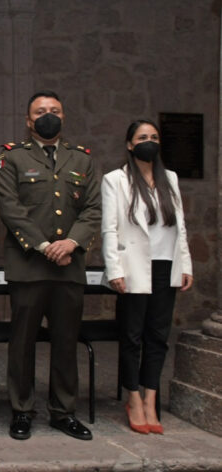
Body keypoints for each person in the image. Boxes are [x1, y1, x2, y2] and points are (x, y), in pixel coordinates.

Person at [0, 90, 101, 441]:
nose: (47, 116)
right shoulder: (12, 158)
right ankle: (22, 410)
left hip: (69, 266)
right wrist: (43, 246)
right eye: (40, 111)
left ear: (64, 117)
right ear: (29, 121)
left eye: (54, 110)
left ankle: (63, 412)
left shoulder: (82, 160)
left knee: (66, 342)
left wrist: (71, 243)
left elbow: (92, 209)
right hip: (28, 265)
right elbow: (10, 208)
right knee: (22, 341)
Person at [101, 119, 193, 435]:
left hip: (166, 265)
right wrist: (114, 270)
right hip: (133, 268)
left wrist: (186, 265)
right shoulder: (116, 180)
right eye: (142, 137)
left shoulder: (171, 179)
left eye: (154, 136)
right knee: (132, 336)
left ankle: (152, 397)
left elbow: (180, 226)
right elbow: (109, 228)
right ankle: (134, 398)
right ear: (130, 144)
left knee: (158, 336)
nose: (149, 141)